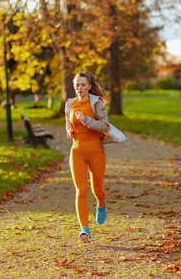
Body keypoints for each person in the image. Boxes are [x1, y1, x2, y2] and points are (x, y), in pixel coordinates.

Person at [65, 71, 111, 243]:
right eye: (77, 85)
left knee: (96, 189)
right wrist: (69, 132)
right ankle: (84, 229)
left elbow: (104, 125)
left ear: (90, 86)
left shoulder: (96, 102)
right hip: (77, 151)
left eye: (83, 85)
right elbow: (68, 125)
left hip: (96, 151)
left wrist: (86, 120)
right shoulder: (70, 103)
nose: (80, 88)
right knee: (81, 191)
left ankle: (101, 204)